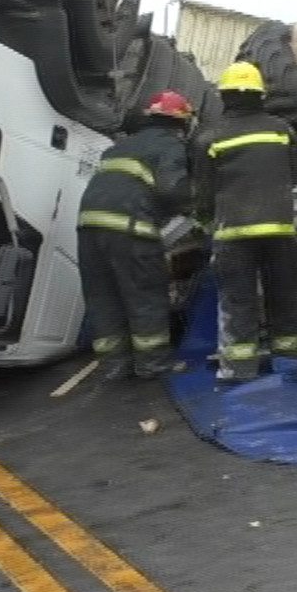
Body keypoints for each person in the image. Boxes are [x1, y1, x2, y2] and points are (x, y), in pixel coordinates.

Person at [193, 61, 297, 381]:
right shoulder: (282, 130)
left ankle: (241, 369)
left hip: (233, 233)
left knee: (239, 301)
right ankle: (291, 362)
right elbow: (296, 175)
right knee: (283, 295)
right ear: (260, 95)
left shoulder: (210, 136)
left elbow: (203, 190)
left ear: (224, 95)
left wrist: (204, 221)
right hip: (280, 230)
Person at [77, 90, 194, 380]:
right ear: (182, 124)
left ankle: (113, 366)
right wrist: (195, 205)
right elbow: (172, 190)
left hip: (89, 230)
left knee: (104, 298)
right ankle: (152, 364)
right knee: (145, 295)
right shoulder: (170, 146)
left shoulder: (119, 147)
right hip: (129, 231)